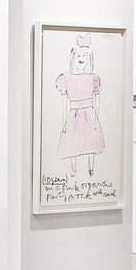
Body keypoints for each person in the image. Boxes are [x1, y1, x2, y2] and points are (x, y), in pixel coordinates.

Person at [56, 34, 105, 176]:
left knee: (91, 142)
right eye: (78, 55)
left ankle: (91, 168)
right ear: (73, 58)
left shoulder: (93, 78)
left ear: (89, 59)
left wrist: (95, 119)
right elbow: (64, 104)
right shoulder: (66, 78)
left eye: (84, 56)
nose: (81, 58)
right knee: (73, 143)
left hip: (89, 114)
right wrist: (63, 122)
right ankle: (73, 169)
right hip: (74, 114)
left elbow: (97, 101)